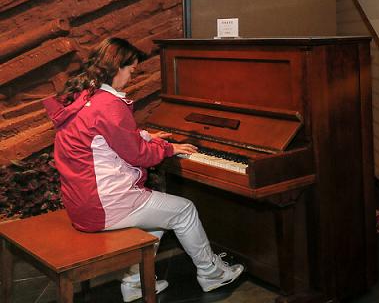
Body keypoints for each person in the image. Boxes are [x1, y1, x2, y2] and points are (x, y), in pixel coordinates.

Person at [44, 37, 243, 302]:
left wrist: (146, 136)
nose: (131, 76)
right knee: (184, 210)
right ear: (117, 67)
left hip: (81, 202)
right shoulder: (109, 105)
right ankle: (212, 274)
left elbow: (105, 139)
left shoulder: (85, 97)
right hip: (103, 205)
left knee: (159, 214)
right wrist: (169, 148)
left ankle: (136, 283)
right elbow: (139, 155)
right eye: (131, 70)